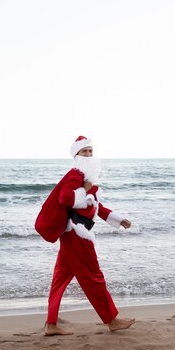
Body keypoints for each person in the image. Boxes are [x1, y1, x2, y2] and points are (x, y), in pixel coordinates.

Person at [44, 135, 135, 335]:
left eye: (90, 151)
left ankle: (51, 324)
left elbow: (95, 206)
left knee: (59, 279)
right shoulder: (76, 175)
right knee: (94, 277)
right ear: (76, 155)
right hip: (78, 234)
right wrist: (83, 188)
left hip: (71, 234)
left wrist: (118, 219)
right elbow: (66, 198)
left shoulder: (86, 177)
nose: (89, 154)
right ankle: (111, 320)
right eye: (84, 151)